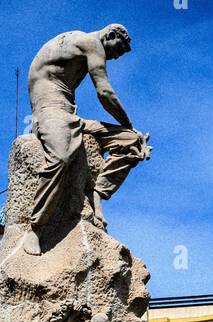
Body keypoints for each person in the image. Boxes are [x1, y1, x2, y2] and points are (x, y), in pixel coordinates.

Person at [23, 24, 151, 254]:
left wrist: (131, 133)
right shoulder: (91, 43)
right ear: (110, 36)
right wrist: (130, 124)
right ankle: (36, 227)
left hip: (70, 113)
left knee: (130, 141)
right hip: (49, 109)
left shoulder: (75, 39)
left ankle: (97, 192)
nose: (113, 57)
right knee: (62, 157)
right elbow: (105, 93)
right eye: (117, 51)